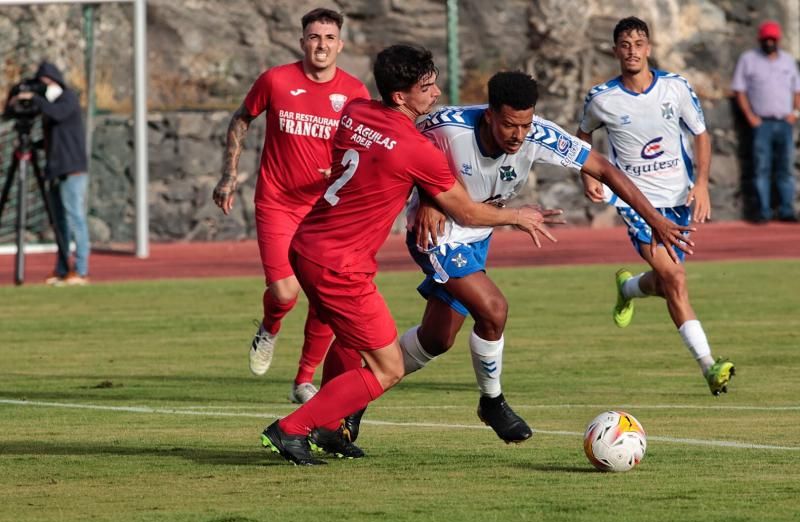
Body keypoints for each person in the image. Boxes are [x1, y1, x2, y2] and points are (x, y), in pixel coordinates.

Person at [259, 44, 575, 466]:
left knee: (354, 344)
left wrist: (423, 192)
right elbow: (463, 209)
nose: (437, 93)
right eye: (426, 87)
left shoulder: (355, 112)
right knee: (388, 367)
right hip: (340, 264)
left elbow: (376, 155)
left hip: (307, 245)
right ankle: (292, 429)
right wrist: (516, 215)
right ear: (399, 96)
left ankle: (331, 429)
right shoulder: (415, 148)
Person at [344, 71, 697, 446]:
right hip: (437, 234)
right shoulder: (448, 125)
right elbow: (401, 141)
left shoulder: (538, 134)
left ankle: (350, 400)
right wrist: (429, 198)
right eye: (510, 125)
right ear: (490, 114)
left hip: (479, 232)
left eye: (525, 125)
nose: (519, 135)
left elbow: (605, 169)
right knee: (494, 309)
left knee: (436, 339)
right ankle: (492, 402)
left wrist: (654, 219)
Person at [212, 8, 370, 404]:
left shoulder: (354, 92)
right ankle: (269, 328)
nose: (321, 45)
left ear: (341, 45)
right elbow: (241, 119)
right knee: (285, 292)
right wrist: (229, 175)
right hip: (277, 201)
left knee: (326, 294)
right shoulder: (276, 80)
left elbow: (366, 146)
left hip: (326, 208)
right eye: (314, 37)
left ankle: (303, 380)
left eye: (329, 38)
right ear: (302, 42)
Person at [576, 16, 735, 396]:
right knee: (676, 280)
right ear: (615, 50)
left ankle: (629, 288)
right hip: (635, 202)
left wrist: (701, 184)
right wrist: (588, 176)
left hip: (678, 198)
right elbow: (582, 135)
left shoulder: (676, 88)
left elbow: (701, 134)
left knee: (667, 281)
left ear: (649, 47)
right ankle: (709, 366)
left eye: (638, 43)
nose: (632, 50)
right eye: (624, 44)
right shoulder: (602, 99)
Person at [10, 61, 90, 286]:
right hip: (55, 169)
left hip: (72, 169)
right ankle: (63, 269)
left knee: (75, 218)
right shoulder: (49, 106)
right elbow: (52, 138)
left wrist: (35, 99)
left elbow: (58, 114)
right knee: (60, 222)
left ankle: (81, 271)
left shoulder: (67, 99)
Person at [732, 20, 800, 223]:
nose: (769, 42)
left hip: (785, 122)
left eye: (773, 39)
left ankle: (787, 209)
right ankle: (763, 211)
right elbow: (739, 89)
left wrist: (795, 113)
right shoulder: (749, 59)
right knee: (761, 167)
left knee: (785, 168)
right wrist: (751, 117)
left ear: (778, 40)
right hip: (761, 123)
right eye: (766, 39)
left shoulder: (788, 61)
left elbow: (797, 89)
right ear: (760, 39)